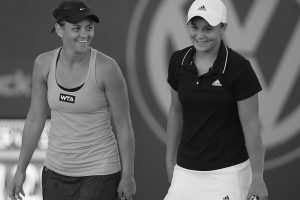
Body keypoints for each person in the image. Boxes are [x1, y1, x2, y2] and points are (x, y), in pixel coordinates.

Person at [8, 0, 136, 199]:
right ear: (60, 30)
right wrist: (20, 169)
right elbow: (35, 119)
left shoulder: (107, 68)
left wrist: (128, 176)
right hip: (55, 173)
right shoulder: (43, 64)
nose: (85, 35)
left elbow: (123, 125)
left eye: (89, 28)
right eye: (76, 28)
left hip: (99, 171)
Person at [164, 0, 268, 200]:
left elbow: (251, 124)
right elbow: (175, 111)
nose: (200, 35)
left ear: (223, 29)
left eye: (208, 29)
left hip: (229, 173)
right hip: (186, 171)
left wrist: (257, 177)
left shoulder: (239, 68)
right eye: (194, 28)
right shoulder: (178, 61)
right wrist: (170, 163)